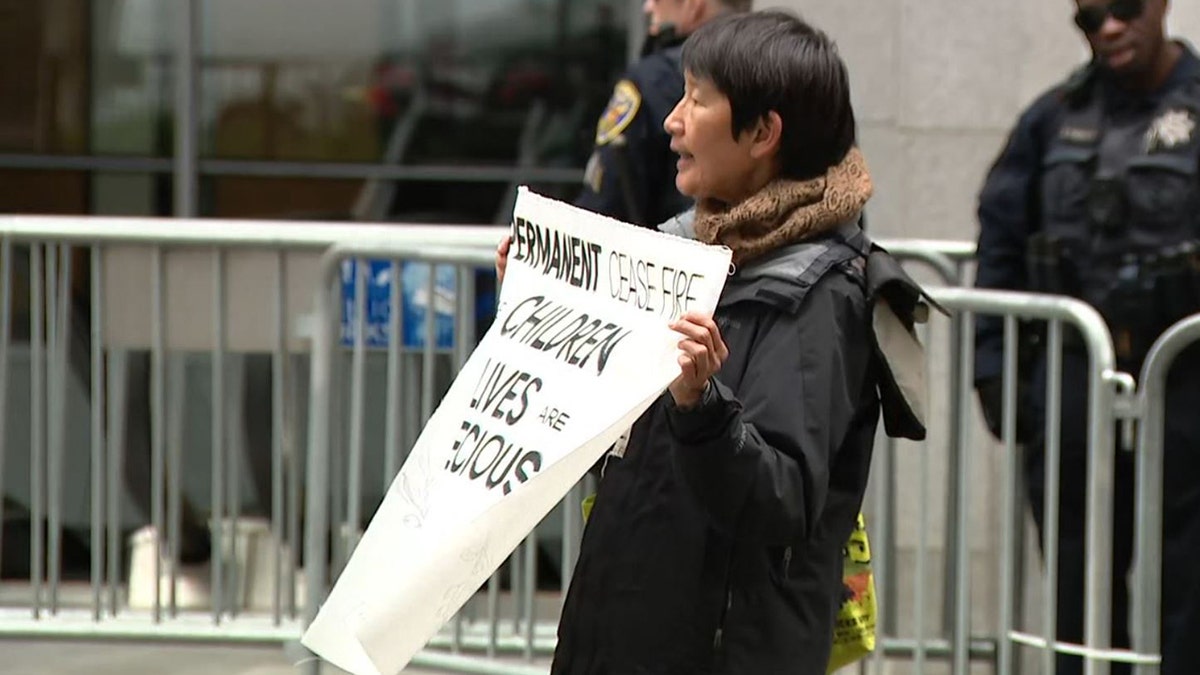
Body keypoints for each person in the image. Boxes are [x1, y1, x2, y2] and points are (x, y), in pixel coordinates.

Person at [499, 11, 932, 673]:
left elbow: (781, 496)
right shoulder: (679, 255)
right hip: (620, 633)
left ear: (763, 132)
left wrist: (702, 407)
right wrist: (543, 312)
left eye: (698, 100)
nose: (673, 121)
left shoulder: (822, 294)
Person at [973, 1, 1200, 673]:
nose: (1108, 28)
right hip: (1077, 386)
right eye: (1090, 16)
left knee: (1187, 583)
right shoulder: (1049, 120)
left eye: (1124, 9)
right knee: (1078, 580)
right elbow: (1001, 245)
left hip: (1186, 385)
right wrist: (996, 370)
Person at [574, 0, 751, 228]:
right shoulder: (777, 73)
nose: (648, 7)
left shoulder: (653, 77)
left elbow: (603, 206)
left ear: (692, 4)